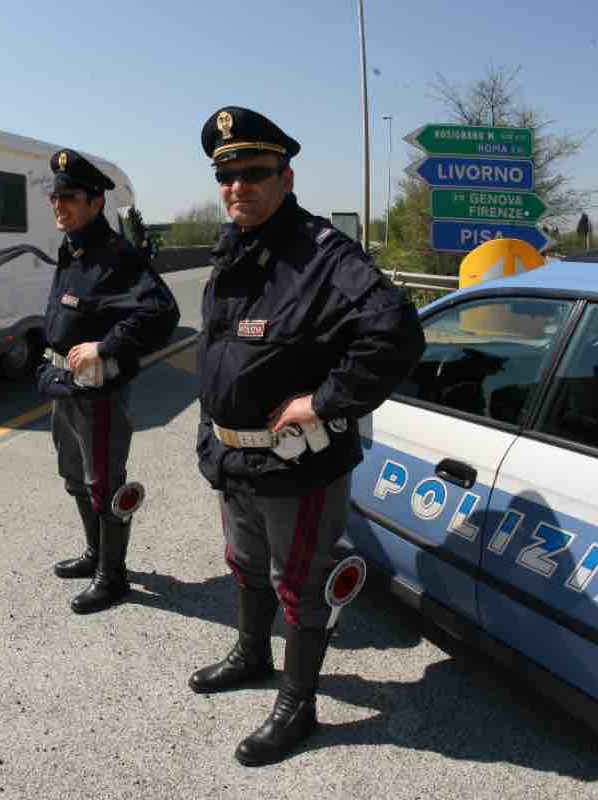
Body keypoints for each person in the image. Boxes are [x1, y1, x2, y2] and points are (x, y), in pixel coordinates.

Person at [190, 106, 425, 766]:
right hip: (235, 456)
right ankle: (251, 652)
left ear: (286, 176)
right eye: (227, 175)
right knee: (245, 563)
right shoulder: (234, 252)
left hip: (298, 466)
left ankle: (299, 703)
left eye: (255, 173)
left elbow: (397, 334)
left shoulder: (323, 257)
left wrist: (323, 402)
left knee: (301, 582)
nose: (240, 186)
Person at [36, 148, 179, 614]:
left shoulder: (115, 254)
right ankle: (96, 555)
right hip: (65, 386)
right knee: (75, 478)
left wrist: (107, 346)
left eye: (70, 197)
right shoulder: (73, 247)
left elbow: (161, 312)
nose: (59, 205)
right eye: (55, 197)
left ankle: (112, 577)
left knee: (103, 483)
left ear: (97, 202)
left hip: (97, 393)